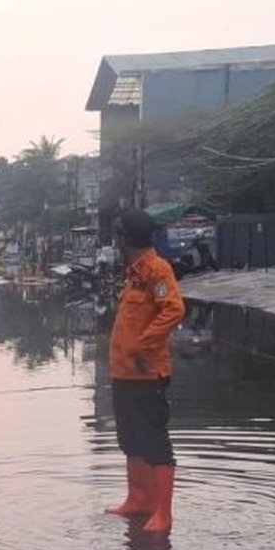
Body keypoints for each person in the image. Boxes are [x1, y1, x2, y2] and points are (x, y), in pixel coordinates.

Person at [104, 209, 186, 533]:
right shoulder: (134, 273)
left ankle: (162, 514)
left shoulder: (156, 270)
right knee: (130, 440)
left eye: (118, 237)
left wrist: (143, 345)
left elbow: (174, 309)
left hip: (146, 374)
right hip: (123, 373)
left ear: (125, 239)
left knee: (154, 441)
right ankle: (137, 500)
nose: (116, 242)